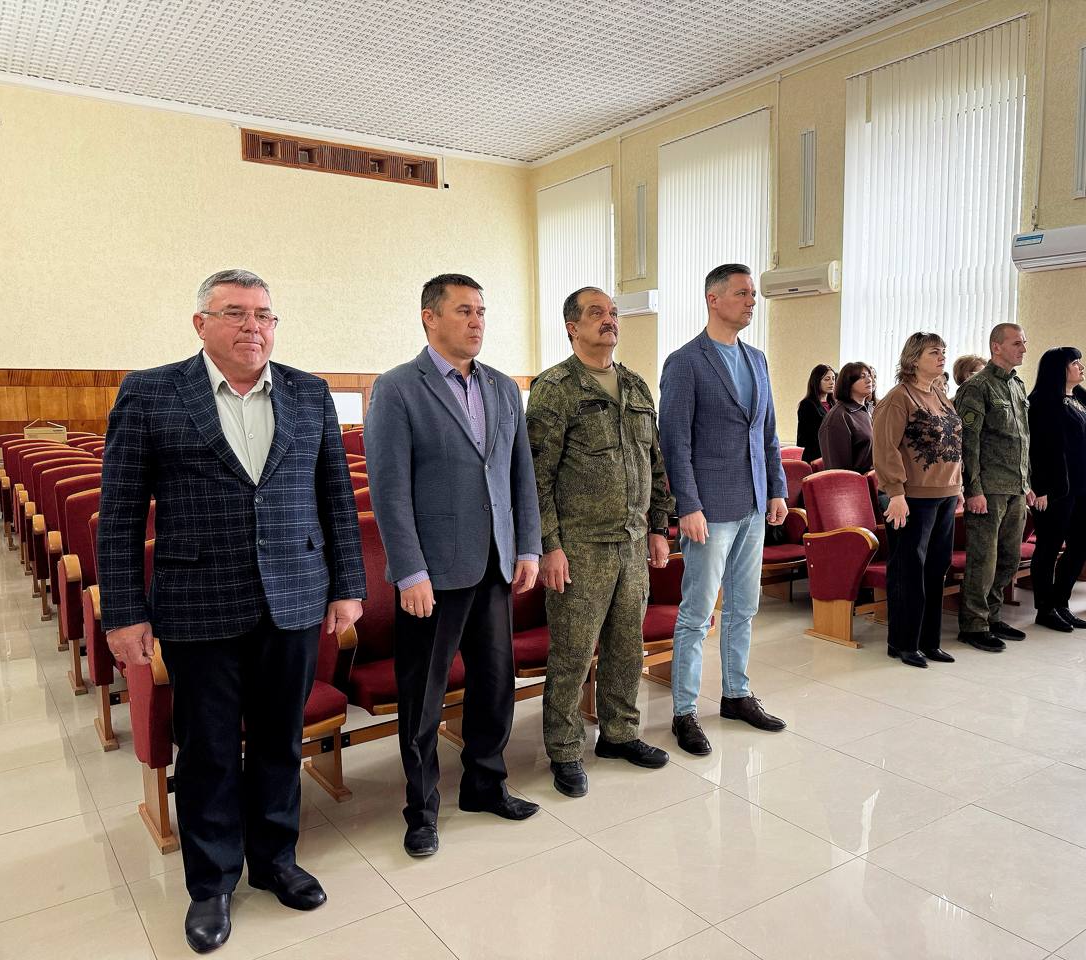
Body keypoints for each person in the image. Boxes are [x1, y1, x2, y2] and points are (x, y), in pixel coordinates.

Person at [97, 269, 366, 954]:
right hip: (198, 603)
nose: (254, 327)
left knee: (280, 739)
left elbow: (335, 498)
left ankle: (275, 860)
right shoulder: (151, 392)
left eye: (264, 315)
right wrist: (123, 612)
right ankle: (211, 884)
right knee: (209, 750)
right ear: (201, 324)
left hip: (294, 597)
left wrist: (347, 585)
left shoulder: (308, 392)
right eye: (236, 313)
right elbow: (120, 514)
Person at [363, 273, 542, 860]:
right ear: (429, 317)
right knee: (424, 697)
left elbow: (519, 476)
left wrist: (528, 547)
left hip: (494, 562)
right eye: (464, 310)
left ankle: (485, 784)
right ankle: (421, 810)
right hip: (433, 575)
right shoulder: (397, 388)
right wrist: (408, 571)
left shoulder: (502, 389)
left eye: (482, 311)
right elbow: (389, 491)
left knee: (495, 684)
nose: (476, 321)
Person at [525, 287, 675, 798]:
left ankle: (619, 734)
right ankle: (565, 749)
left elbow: (655, 463)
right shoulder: (555, 388)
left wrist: (659, 528)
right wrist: (550, 544)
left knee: (626, 647)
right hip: (579, 546)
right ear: (572, 326)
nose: (609, 320)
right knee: (571, 653)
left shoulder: (635, 385)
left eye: (612, 313)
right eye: (597, 313)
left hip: (632, 541)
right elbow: (537, 477)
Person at [658, 263, 788, 756]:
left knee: (744, 608)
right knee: (697, 614)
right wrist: (687, 505)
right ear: (713, 299)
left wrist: (776, 489)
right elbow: (674, 443)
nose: (752, 301)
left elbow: (768, 432)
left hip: (753, 503)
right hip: (708, 510)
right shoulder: (685, 362)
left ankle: (736, 694)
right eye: (742, 293)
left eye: (753, 294)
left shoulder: (756, 359)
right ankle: (684, 711)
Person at [872, 333, 962, 668]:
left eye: (943, 352)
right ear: (913, 359)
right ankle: (903, 642)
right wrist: (895, 492)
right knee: (909, 570)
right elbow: (885, 448)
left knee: (936, 568)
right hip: (912, 498)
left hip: (945, 494)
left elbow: (953, 443)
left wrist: (958, 485)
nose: (941, 357)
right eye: (934, 352)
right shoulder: (898, 398)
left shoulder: (939, 394)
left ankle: (929, 641)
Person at [954, 323, 1035, 653]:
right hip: (988, 488)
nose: (1023, 349)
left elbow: (1024, 439)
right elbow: (968, 444)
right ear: (996, 347)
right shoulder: (977, 387)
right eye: (1017, 343)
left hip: (1015, 486)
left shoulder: (1016, 385)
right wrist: (973, 490)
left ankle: (993, 615)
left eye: (1024, 343)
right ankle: (974, 624)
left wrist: (1027, 483)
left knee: (1008, 558)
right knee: (983, 560)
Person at [1028, 348, 1086, 632]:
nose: (1081, 367)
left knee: (1085, 542)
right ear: (1058, 369)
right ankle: (1045, 609)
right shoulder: (1041, 403)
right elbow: (1037, 450)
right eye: (1075, 363)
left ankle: (1060, 601)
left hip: (1084, 487)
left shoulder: (1084, 399)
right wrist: (1040, 488)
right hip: (1055, 489)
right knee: (1048, 547)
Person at [818, 362, 877, 476]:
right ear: (848, 383)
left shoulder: (866, 410)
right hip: (855, 483)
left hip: (874, 480)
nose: (869, 380)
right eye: (862, 377)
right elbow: (837, 471)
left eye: (869, 376)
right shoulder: (838, 417)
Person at [796, 364, 835, 462]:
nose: (831, 382)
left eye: (833, 379)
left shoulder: (834, 405)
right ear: (816, 381)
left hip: (832, 454)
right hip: (815, 455)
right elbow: (804, 438)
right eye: (827, 379)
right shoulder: (807, 404)